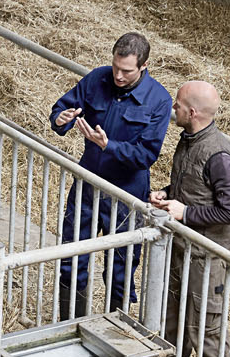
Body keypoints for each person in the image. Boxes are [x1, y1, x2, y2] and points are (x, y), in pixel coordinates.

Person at [49, 32, 172, 320]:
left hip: (127, 193)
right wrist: (60, 119)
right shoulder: (97, 79)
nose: (117, 75)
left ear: (143, 65)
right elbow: (62, 106)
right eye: (115, 67)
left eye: (126, 71)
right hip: (88, 184)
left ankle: (113, 327)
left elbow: (147, 155)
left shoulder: (158, 100)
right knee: (72, 256)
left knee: (122, 265)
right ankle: (70, 323)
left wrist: (108, 145)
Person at [150, 80, 230, 357]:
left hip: (206, 257)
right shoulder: (188, 140)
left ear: (192, 112)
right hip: (182, 248)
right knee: (173, 319)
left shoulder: (218, 154)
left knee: (207, 331)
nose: (172, 108)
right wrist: (167, 193)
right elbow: (191, 188)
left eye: (177, 104)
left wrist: (186, 212)